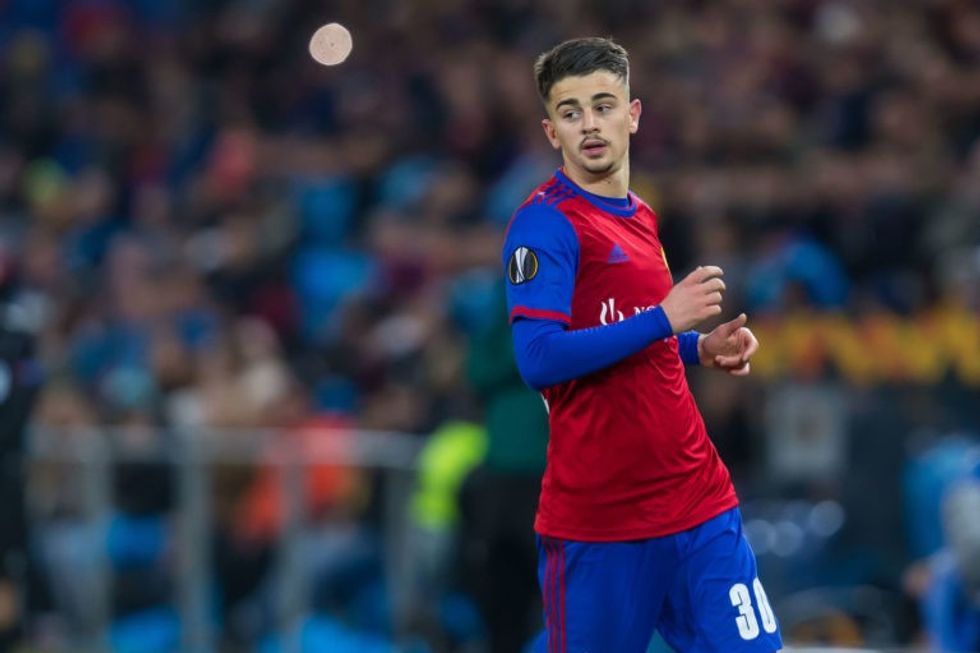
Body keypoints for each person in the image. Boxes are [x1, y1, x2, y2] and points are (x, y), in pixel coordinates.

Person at [501, 37, 782, 653]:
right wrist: (664, 320)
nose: (589, 124)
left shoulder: (641, 215)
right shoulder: (544, 225)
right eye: (571, 112)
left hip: (698, 501)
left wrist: (697, 348)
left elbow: (624, 332)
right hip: (601, 524)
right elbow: (539, 359)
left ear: (632, 115)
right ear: (552, 132)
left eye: (603, 106)